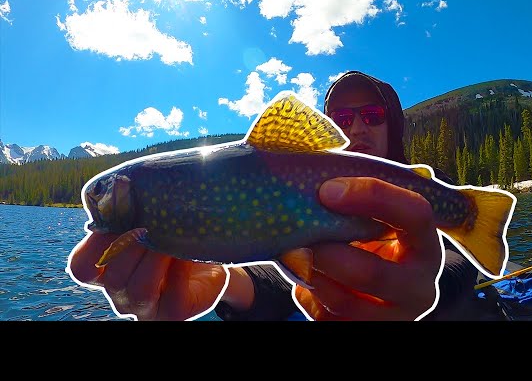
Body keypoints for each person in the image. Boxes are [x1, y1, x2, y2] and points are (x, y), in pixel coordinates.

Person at [68, 70, 483, 321]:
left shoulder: (437, 193)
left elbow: (455, 261)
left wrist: (428, 280)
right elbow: (279, 273)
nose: (356, 129)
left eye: (372, 116)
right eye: (340, 118)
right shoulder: (287, 179)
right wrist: (226, 282)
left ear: (394, 124)